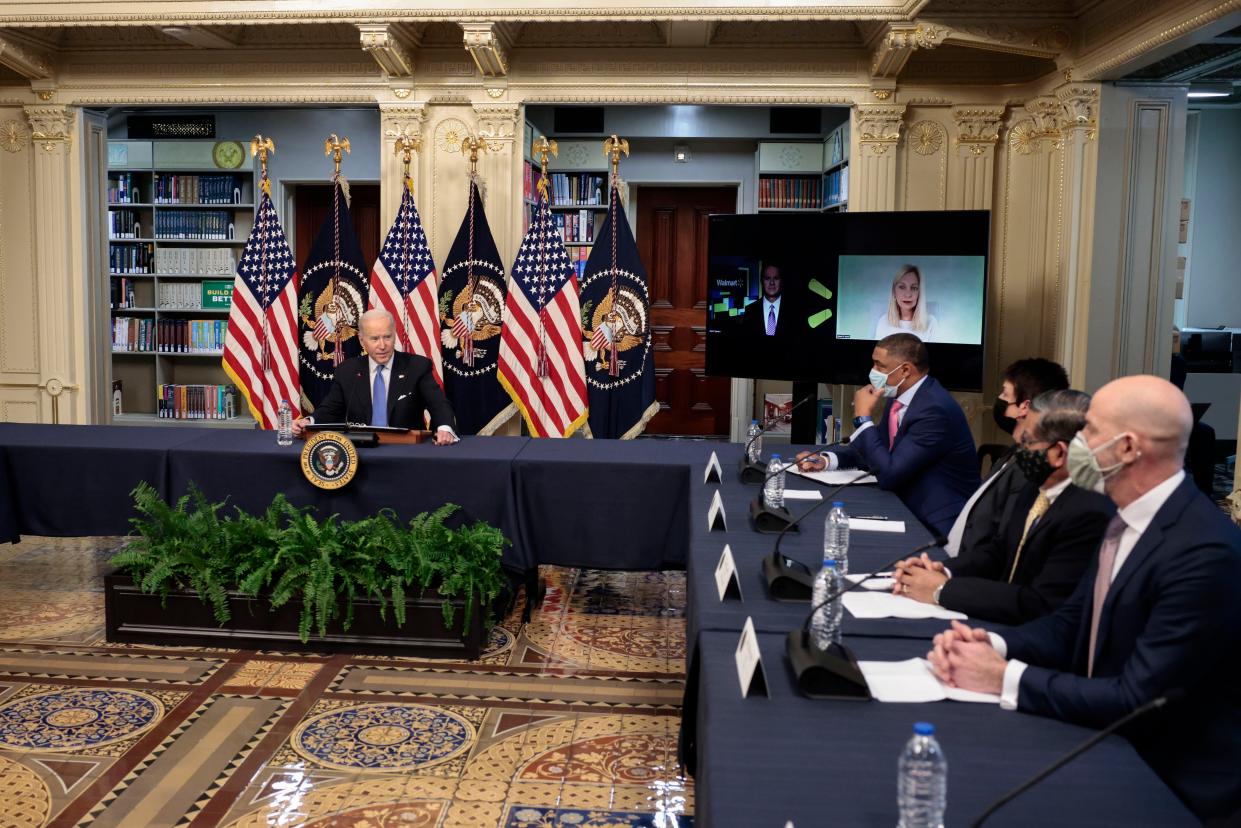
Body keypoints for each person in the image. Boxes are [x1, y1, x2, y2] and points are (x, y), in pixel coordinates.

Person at [926, 375, 1241, 822]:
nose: (1076, 443)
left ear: (1129, 448)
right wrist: (988, 645)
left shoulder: (1202, 551)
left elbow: (1138, 699)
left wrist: (1003, 678)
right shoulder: (1124, 516)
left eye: (1090, 430)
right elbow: (1069, 624)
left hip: (1168, 784)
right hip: (1102, 740)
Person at [893, 390, 1115, 625]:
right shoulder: (1035, 485)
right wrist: (943, 570)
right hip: (999, 616)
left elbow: (1040, 604)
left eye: (1027, 441)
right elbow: (999, 552)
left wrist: (943, 590)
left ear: (1059, 452)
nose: (1018, 445)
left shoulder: (1088, 512)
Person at [795, 333, 979, 535]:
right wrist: (827, 460)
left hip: (935, 523)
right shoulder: (899, 397)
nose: (872, 372)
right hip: (904, 503)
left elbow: (889, 474)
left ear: (906, 370)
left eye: (879, 365)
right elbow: (877, 451)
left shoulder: (934, 409)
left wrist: (863, 418)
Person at [945, 357, 1070, 557]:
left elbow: (999, 539)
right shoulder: (1014, 451)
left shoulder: (1030, 467)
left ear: (1025, 406)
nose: (1000, 401)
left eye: (1005, 394)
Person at [292, 308, 458, 445]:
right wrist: (309, 422)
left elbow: (439, 405)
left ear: (394, 335)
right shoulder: (347, 371)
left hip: (406, 450)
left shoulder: (416, 367)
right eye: (374, 339)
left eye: (387, 337)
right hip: (360, 450)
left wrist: (445, 427)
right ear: (362, 340)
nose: (382, 345)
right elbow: (330, 409)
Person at [872, 265, 938, 342]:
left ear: (919, 293)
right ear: (894, 292)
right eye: (902, 287)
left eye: (914, 288)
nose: (908, 294)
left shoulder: (931, 322)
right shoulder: (884, 321)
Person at [742, 264, 796, 340]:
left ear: (781, 281)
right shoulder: (750, 311)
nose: (772, 283)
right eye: (767, 278)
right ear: (762, 281)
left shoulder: (794, 311)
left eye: (776, 278)